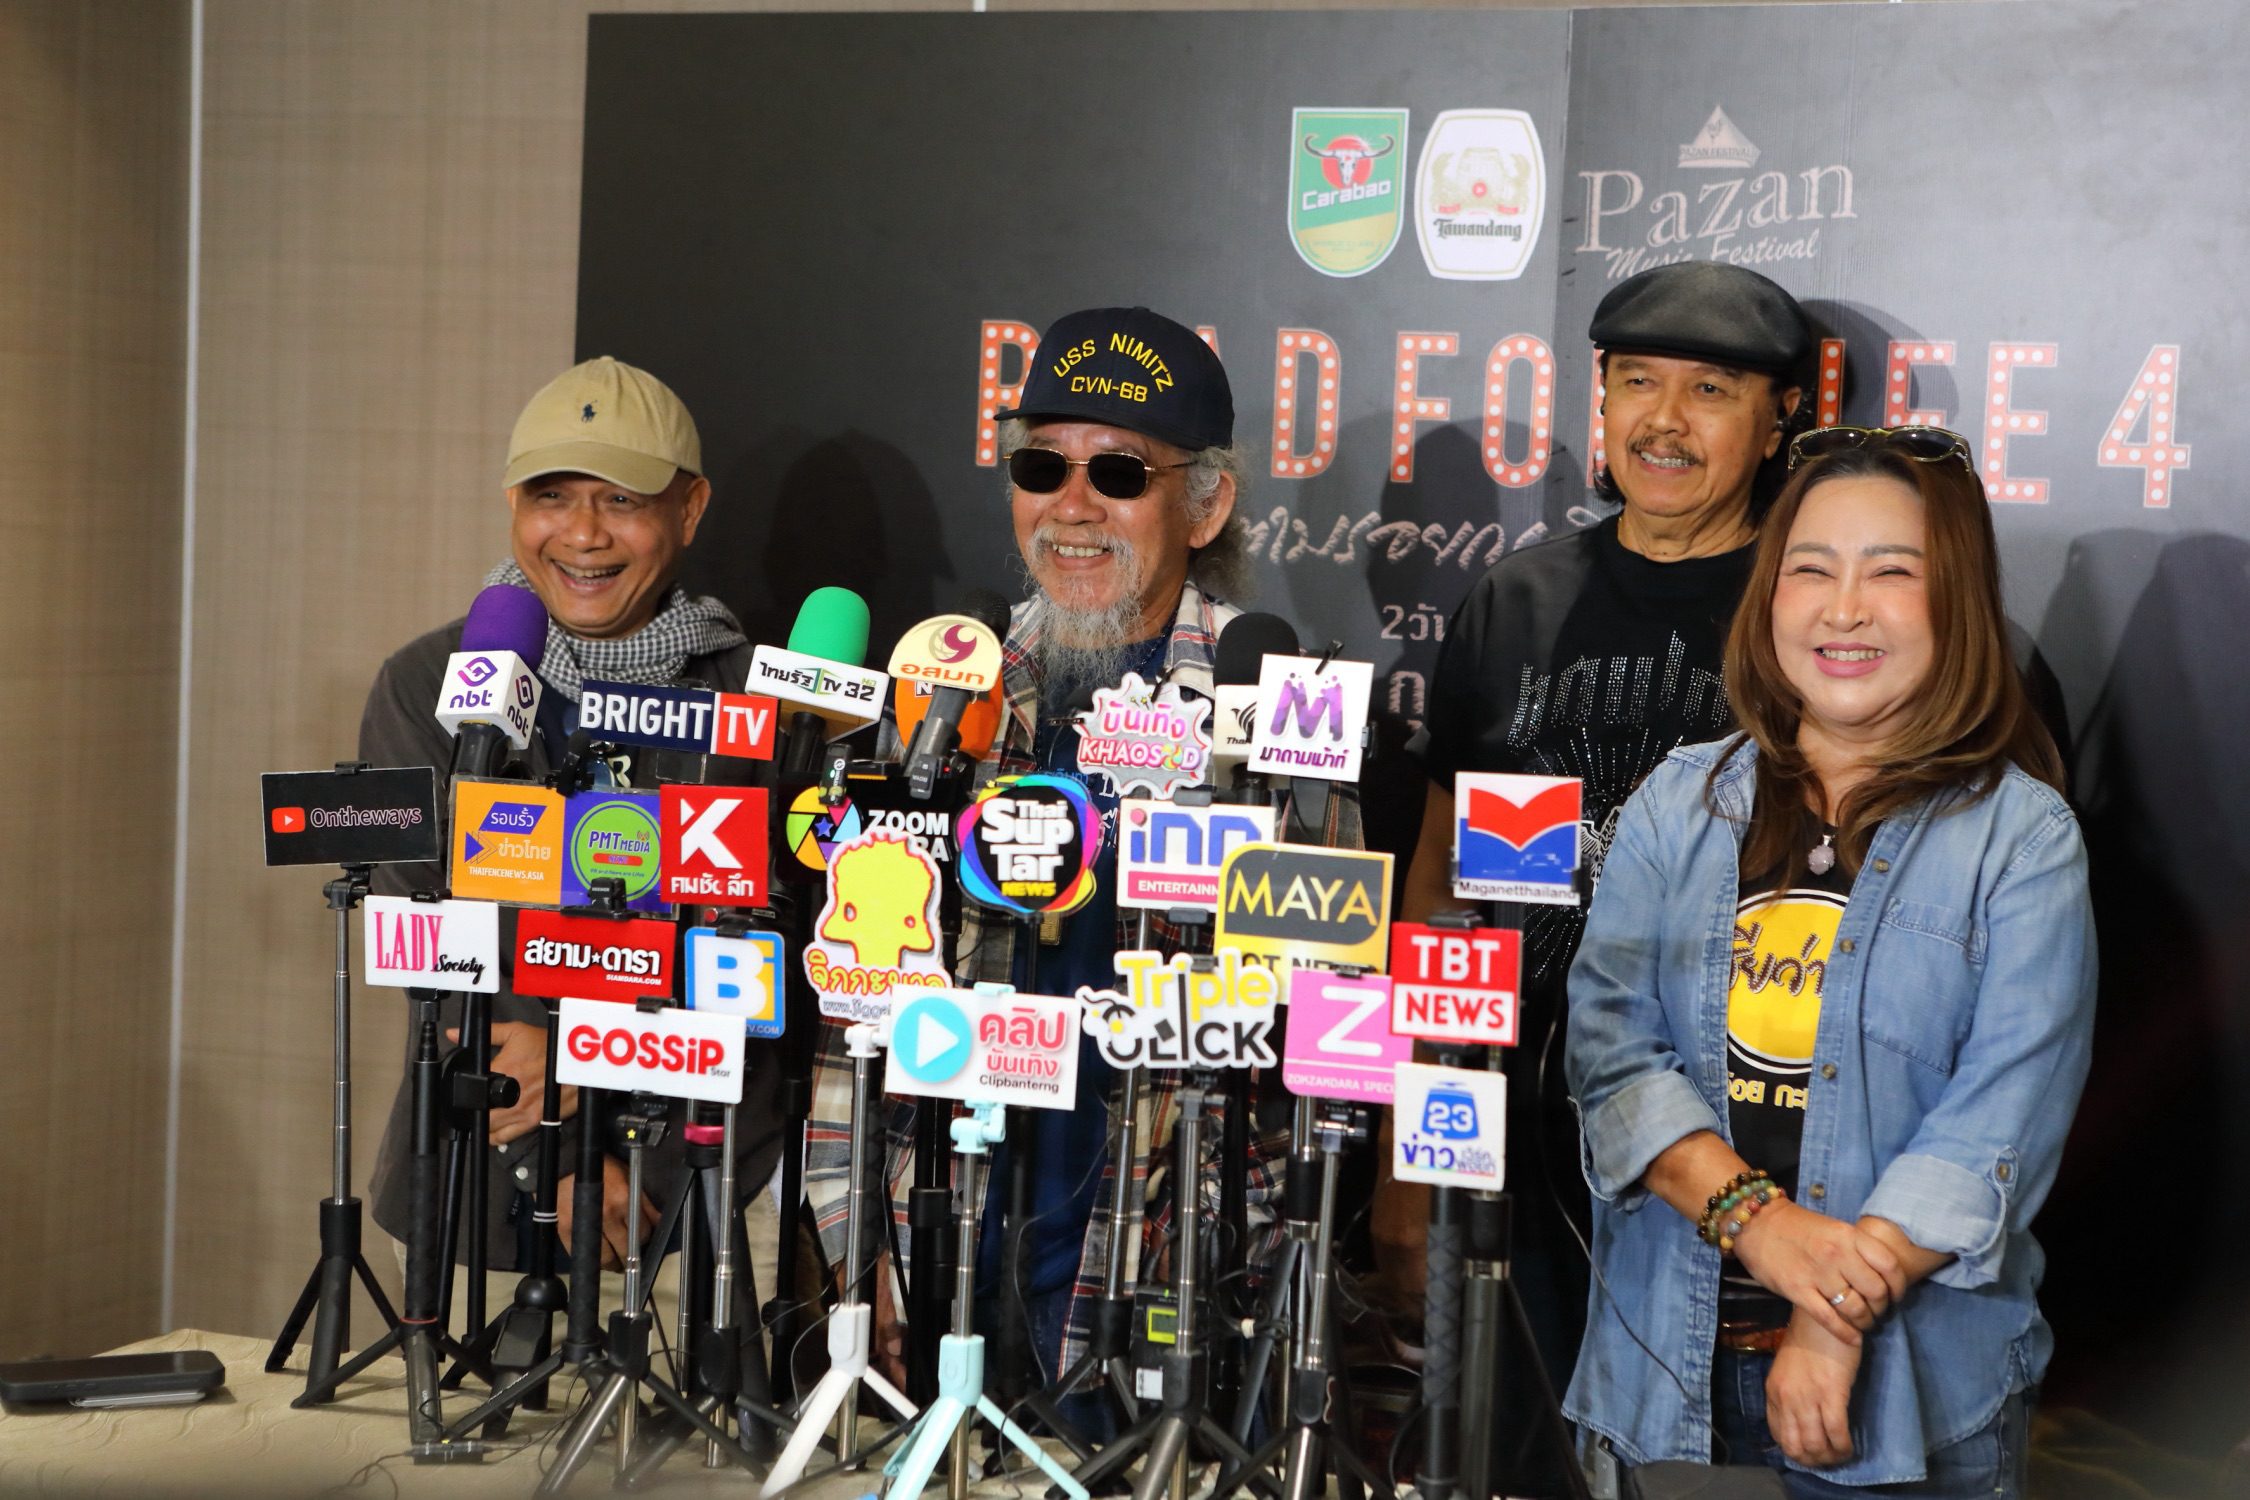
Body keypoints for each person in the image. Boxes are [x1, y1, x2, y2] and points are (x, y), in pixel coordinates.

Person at [806, 307, 1349, 1409]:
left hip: (1172, 1283)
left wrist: (1256, 1274)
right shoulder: (942, 695)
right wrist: (858, 1247)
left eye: (1120, 472)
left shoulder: (1273, 710)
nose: (1073, 505)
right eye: (1043, 464)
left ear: (1207, 504)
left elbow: (1322, 1036)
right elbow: (857, 992)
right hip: (939, 1265)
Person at [1563, 425, 2095, 1496]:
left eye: (1891, 573)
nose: (1844, 609)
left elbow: (1997, 1123)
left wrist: (1832, 1313)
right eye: (1811, 569)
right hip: (1664, 1375)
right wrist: (1763, 1228)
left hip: (1917, 1397)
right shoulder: (1679, 801)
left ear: (1958, 602)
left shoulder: (2023, 840)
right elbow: (1612, 1054)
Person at [1391, 263, 1815, 1448]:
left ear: (1779, 417)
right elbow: (1438, 884)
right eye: (1637, 382)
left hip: (1729, 1153)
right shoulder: (1516, 601)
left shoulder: (1810, 612)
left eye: (1710, 390)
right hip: (1517, 1145)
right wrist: (1407, 1148)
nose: (1663, 422)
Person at [360, 355, 782, 1311]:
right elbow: (425, 923)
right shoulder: (429, 681)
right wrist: (549, 1130)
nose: (583, 534)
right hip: (476, 1174)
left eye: (621, 499)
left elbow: (766, 949)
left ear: (690, 509)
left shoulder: (756, 699)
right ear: (513, 504)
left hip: (695, 1188)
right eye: (551, 497)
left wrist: (596, 1066)